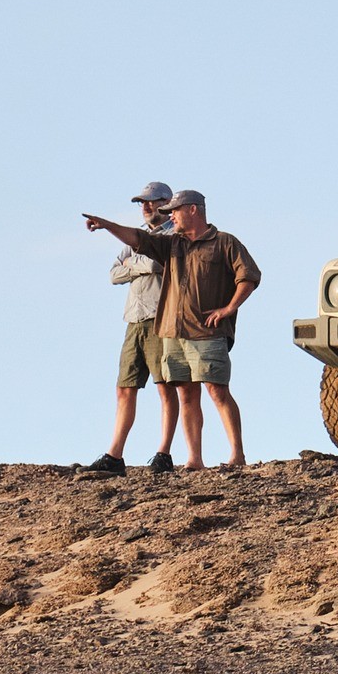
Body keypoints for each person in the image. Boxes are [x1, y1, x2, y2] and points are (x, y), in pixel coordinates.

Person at [83, 189, 259, 469]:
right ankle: (194, 459)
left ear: (193, 210)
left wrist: (228, 309)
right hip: (173, 333)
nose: (171, 216)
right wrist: (107, 225)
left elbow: (248, 276)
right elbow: (137, 238)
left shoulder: (224, 242)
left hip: (208, 331)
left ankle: (237, 455)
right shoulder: (172, 245)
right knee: (186, 394)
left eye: (175, 211)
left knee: (217, 391)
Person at [93, 181, 180, 474]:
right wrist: (139, 264)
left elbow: (159, 265)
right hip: (134, 318)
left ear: (166, 203)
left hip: (160, 318)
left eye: (151, 201)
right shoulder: (135, 238)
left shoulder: (174, 233)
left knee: (165, 387)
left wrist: (135, 263)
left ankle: (163, 453)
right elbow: (113, 274)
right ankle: (115, 455)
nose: (145, 207)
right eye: (142, 202)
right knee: (125, 388)